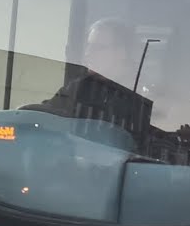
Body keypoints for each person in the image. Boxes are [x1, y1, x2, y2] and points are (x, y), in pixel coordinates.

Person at [23, 18, 151, 144]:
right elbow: (47, 114)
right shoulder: (79, 87)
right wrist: (23, 115)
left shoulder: (144, 94)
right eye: (89, 46)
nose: (88, 53)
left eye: (98, 47)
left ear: (122, 52)